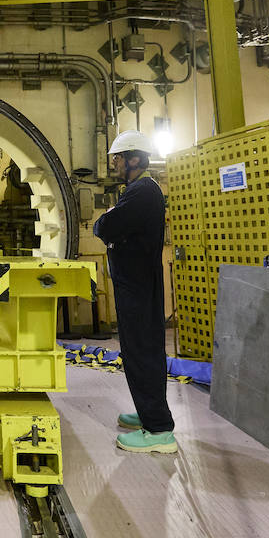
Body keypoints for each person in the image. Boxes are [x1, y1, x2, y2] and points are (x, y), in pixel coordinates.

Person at [93, 130, 177, 453]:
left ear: (134, 159)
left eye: (118, 158)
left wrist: (107, 224)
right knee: (139, 352)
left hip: (139, 288)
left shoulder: (142, 192)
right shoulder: (139, 190)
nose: (114, 164)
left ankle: (158, 430)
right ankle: (148, 415)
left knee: (142, 353)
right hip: (137, 286)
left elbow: (106, 226)